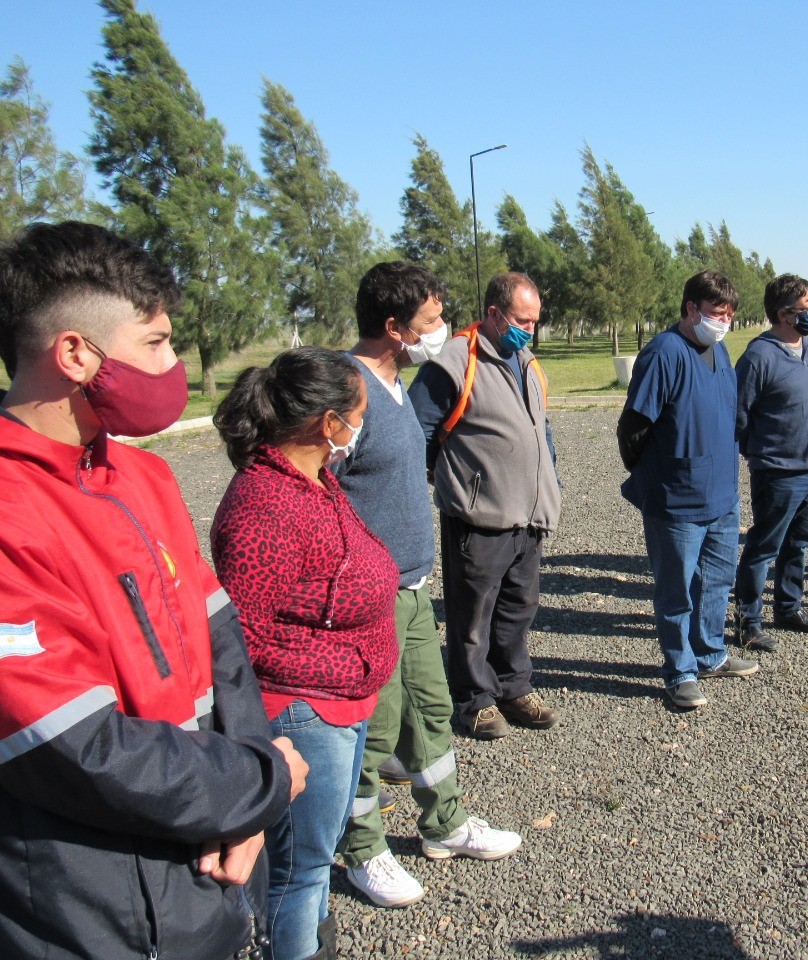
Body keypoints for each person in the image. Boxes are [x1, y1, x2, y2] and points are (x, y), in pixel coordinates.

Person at [0, 221, 306, 960]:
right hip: (97, 912)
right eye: (157, 342)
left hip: (213, 865)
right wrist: (260, 782)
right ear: (76, 353)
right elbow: (73, 745)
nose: (173, 365)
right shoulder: (10, 511)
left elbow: (220, 644)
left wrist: (247, 804)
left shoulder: (145, 477)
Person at [335, 262, 521, 909]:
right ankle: (361, 848)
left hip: (413, 591)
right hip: (370, 598)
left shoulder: (396, 382)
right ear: (392, 327)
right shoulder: (344, 393)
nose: (442, 330)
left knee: (432, 710)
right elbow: (312, 491)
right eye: (431, 322)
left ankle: (444, 824)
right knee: (375, 730)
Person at [211, 347, 400, 960]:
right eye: (359, 413)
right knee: (301, 870)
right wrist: (344, 667)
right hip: (302, 715)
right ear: (328, 423)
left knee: (316, 860)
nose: (361, 426)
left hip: (340, 706)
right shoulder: (263, 506)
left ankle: (316, 941)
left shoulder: (314, 481)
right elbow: (243, 638)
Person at [409, 272, 562, 740]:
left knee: (519, 609)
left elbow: (541, 429)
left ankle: (513, 688)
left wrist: (547, 480)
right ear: (494, 313)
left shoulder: (527, 360)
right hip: (480, 517)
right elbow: (417, 431)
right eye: (521, 320)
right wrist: (455, 480)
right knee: (472, 616)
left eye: (535, 322)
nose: (529, 330)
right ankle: (473, 701)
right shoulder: (455, 360)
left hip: (529, 515)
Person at [617, 270, 759, 709]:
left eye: (730, 314)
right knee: (676, 589)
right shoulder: (664, 353)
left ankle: (710, 653)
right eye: (717, 313)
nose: (724, 321)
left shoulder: (720, 351)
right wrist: (659, 477)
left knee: (716, 581)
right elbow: (633, 428)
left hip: (721, 496)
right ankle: (679, 670)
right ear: (691, 310)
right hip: (677, 500)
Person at [733, 273, 808, 652]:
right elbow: (737, 415)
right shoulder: (759, 356)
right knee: (764, 547)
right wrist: (758, 453)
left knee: (799, 544)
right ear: (782, 314)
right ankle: (749, 622)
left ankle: (788, 608)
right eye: (805, 309)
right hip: (778, 473)